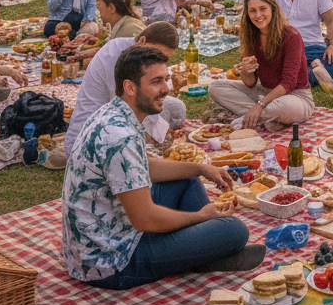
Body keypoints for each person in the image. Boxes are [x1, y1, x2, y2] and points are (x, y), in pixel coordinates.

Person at [63, 44, 261, 288]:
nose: (166, 89)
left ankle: (200, 249)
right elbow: (145, 219)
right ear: (130, 87)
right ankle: (203, 253)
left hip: (105, 236)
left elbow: (143, 169)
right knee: (234, 231)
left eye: (165, 79)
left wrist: (201, 169)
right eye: (156, 81)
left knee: (187, 178)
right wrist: (199, 217)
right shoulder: (120, 136)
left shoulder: (112, 113)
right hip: (112, 261)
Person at [65, 21, 186, 157]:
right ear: (142, 40)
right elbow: (129, 106)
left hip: (119, 113)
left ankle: (154, 145)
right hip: (93, 133)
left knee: (176, 107)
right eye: (156, 53)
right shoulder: (117, 56)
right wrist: (159, 135)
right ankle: (148, 150)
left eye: (164, 58)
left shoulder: (136, 51)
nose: (158, 60)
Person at [208, 0, 316, 129]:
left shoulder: (291, 36)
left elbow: (289, 83)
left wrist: (260, 105)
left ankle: (248, 119)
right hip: (264, 91)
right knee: (215, 87)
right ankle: (265, 119)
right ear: (247, 14)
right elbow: (251, 83)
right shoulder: (251, 36)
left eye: (262, 9)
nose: (258, 15)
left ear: (272, 8)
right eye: (252, 11)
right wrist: (246, 72)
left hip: (295, 96)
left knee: (286, 107)